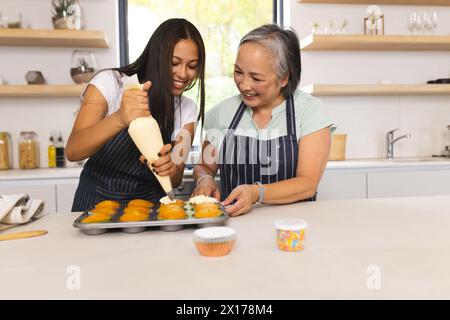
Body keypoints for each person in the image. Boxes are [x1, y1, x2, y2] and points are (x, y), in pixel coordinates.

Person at [191, 24, 333, 217]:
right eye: (238, 72)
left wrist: (257, 193)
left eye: (256, 78)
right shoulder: (224, 112)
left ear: (283, 78)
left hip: (293, 229)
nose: (244, 85)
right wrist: (205, 180)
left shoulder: (309, 111)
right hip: (235, 224)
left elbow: (307, 184)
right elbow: (205, 166)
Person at [67, 18, 206, 211]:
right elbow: (74, 151)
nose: (183, 74)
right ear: (156, 56)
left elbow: (176, 177)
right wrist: (120, 118)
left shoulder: (187, 109)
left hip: (148, 210)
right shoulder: (110, 83)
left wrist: (170, 168)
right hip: (95, 205)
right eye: (174, 63)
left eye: (192, 66)